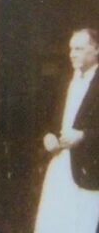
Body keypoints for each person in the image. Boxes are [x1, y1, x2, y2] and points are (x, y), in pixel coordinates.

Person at [34, 28, 99, 233]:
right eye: (71, 48)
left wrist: (83, 136)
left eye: (79, 48)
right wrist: (48, 135)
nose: (72, 53)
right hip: (61, 165)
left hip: (90, 172)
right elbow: (51, 119)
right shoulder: (66, 80)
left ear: (96, 49)